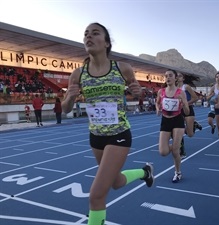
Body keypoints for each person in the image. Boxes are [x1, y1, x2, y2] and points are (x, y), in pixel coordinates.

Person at [61, 22, 154, 225]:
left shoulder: (122, 68)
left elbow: (135, 89)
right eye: (86, 34)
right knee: (116, 182)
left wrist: (138, 93)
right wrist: (69, 97)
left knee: (96, 196)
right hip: (96, 137)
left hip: (119, 134)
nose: (89, 37)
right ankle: (144, 172)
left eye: (95, 33)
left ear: (106, 43)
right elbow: (66, 109)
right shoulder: (78, 74)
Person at [156, 69, 190, 182]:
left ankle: (178, 172)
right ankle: (176, 146)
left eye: (170, 76)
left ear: (175, 78)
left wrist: (184, 103)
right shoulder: (161, 92)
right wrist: (157, 109)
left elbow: (187, 112)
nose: (168, 78)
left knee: (175, 151)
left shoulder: (180, 92)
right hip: (165, 120)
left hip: (177, 121)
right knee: (163, 152)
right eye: (166, 76)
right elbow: (157, 102)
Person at [176, 72, 202, 159]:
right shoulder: (174, 88)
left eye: (180, 76)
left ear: (183, 78)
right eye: (177, 76)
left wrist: (186, 103)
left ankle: (194, 124)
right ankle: (182, 151)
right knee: (179, 131)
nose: (178, 77)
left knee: (190, 134)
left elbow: (195, 98)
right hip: (178, 111)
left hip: (188, 110)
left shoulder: (186, 87)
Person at [206, 72, 219, 138]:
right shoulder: (213, 88)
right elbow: (207, 99)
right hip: (214, 107)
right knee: (215, 122)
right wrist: (211, 96)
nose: (218, 78)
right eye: (217, 77)